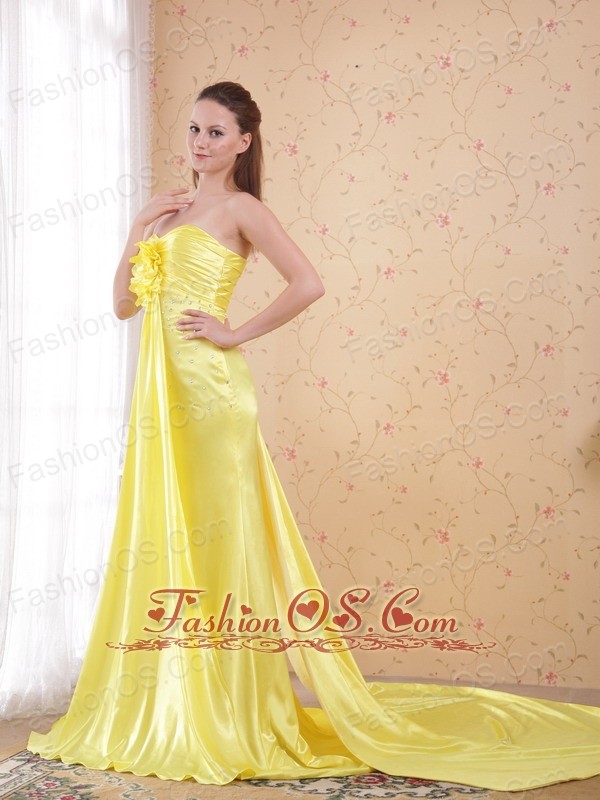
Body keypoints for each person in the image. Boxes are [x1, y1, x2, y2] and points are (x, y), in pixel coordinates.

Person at [27, 81, 600, 791]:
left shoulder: (243, 209)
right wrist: (137, 227)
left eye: (215, 132)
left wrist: (234, 332)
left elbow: (307, 283)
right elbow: (123, 306)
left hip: (211, 397)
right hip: (159, 400)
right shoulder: (167, 212)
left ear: (243, 142)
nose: (200, 142)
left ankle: (228, 708)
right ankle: (173, 700)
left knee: (221, 542)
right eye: (194, 129)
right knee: (167, 536)